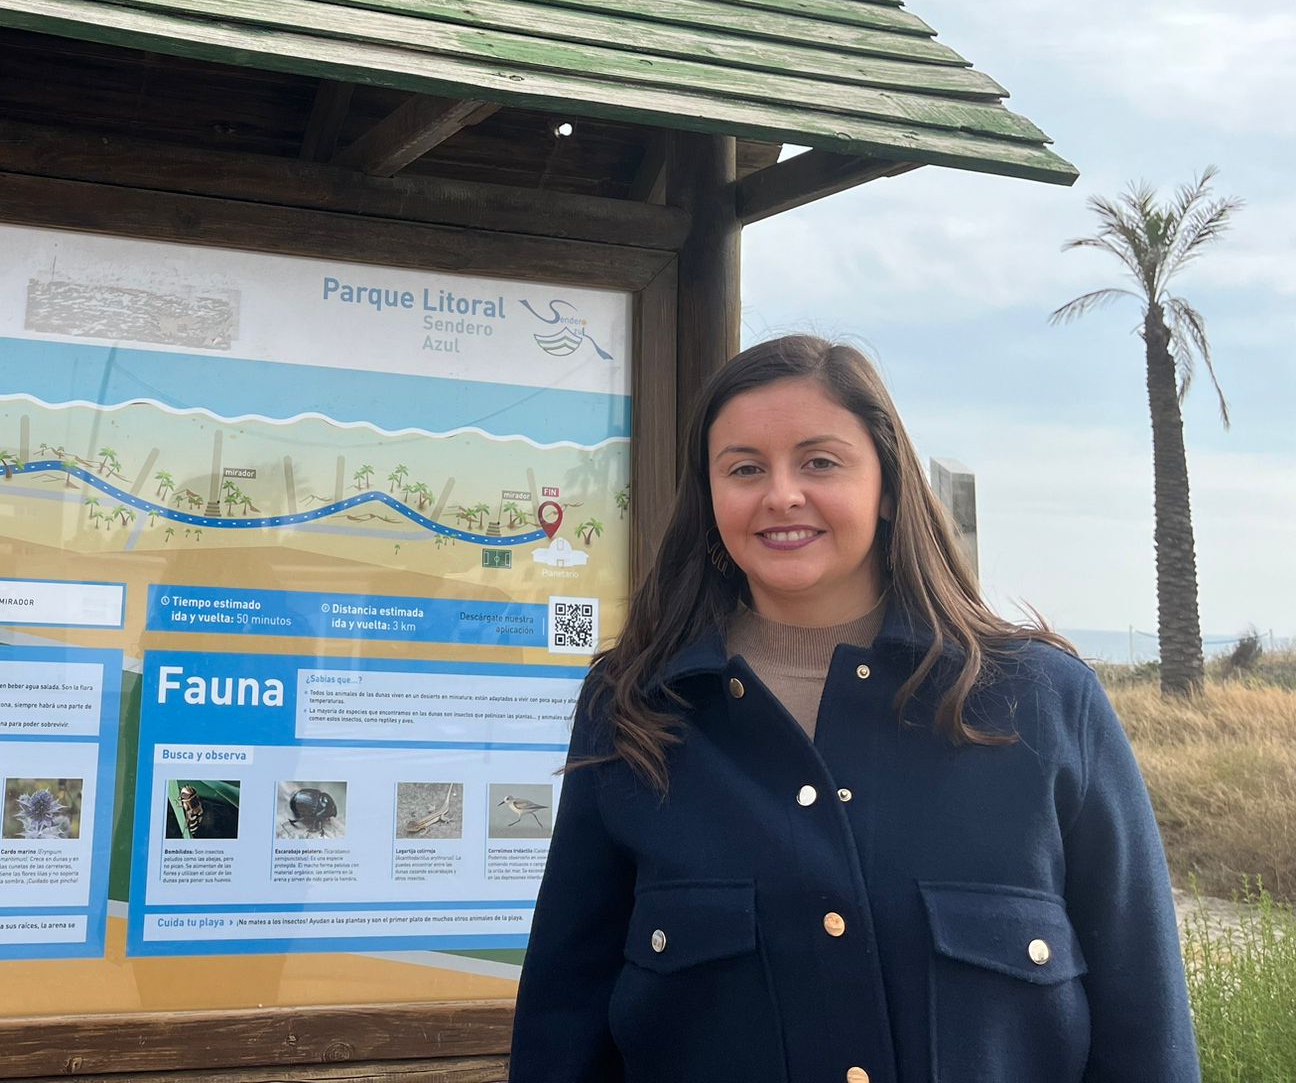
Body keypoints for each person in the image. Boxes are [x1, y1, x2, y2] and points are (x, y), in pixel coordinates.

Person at [510, 335, 1197, 1083]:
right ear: (709, 502)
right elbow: (563, 1026)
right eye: (744, 468)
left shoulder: (1045, 706)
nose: (781, 494)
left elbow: (1146, 1033)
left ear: (890, 486)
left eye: (820, 462)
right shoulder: (635, 710)